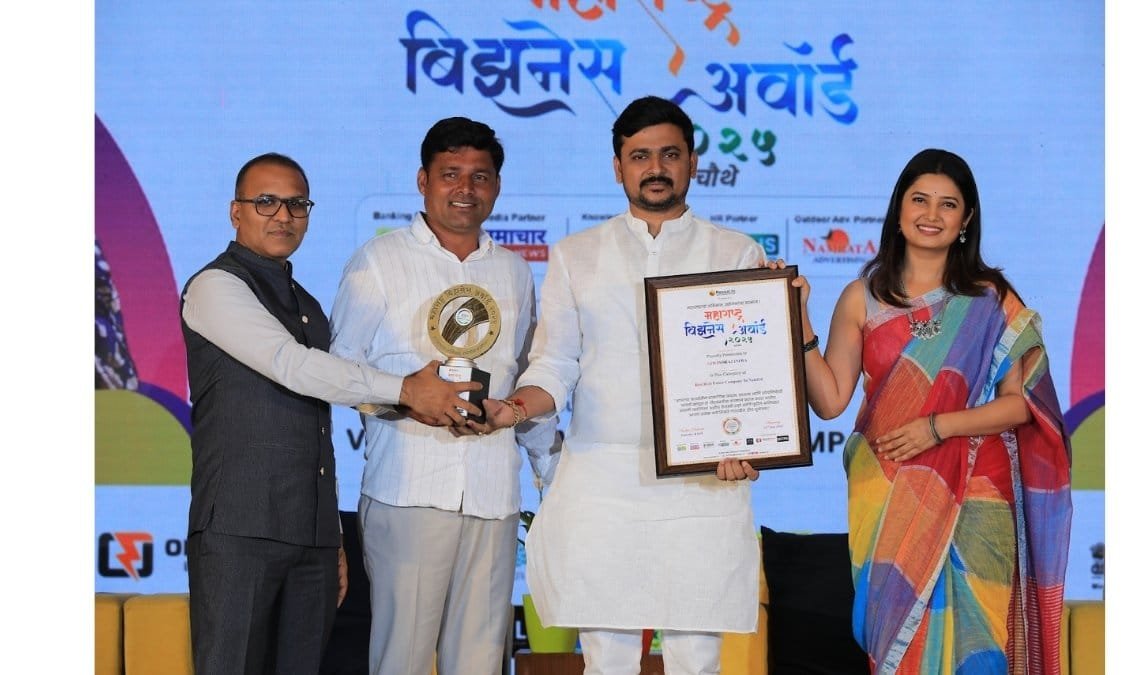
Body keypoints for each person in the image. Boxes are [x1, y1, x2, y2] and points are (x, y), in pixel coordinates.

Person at [482, 95, 763, 675]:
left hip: (701, 483)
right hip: (603, 482)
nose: (655, 168)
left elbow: (753, 375)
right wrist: (514, 408)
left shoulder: (737, 253)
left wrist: (750, 442)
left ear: (692, 162)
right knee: (607, 658)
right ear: (618, 167)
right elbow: (554, 364)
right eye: (640, 156)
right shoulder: (576, 255)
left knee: (697, 659)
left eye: (669, 155)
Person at [181, 152, 478, 675]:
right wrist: (408, 389)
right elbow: (293, 367)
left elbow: (322, 417)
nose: (283, 215)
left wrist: (334, 537)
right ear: (236, 211)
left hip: (313, 538)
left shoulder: (307, 304)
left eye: (297, 204)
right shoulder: (215, 287)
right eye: (266, 202)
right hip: (239, 531)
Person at [793, 148, 1072, 673]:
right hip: (888, 490)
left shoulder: (991, 299)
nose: (931, 214)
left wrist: (937, 427)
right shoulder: (861, 298)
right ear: (899, 208)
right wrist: (799, 318)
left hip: (975, 495)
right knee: (898, 645)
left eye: (948, 204)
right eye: (920, 199)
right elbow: (829, 402)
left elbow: (1020, 405)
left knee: (978, 643)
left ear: (966, 219)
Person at [328, 117, 559, 675]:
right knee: (402, 659)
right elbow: (337, 370)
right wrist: (407, 397)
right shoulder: (378, 260)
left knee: (480, 660)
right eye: (450, 173)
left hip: (492, 494)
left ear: (497, 186)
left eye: (480, 176)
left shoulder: (514, 272)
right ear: (423, 181)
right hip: (407, 491)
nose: (465, 188)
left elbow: (527, 377)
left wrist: (552, 476)